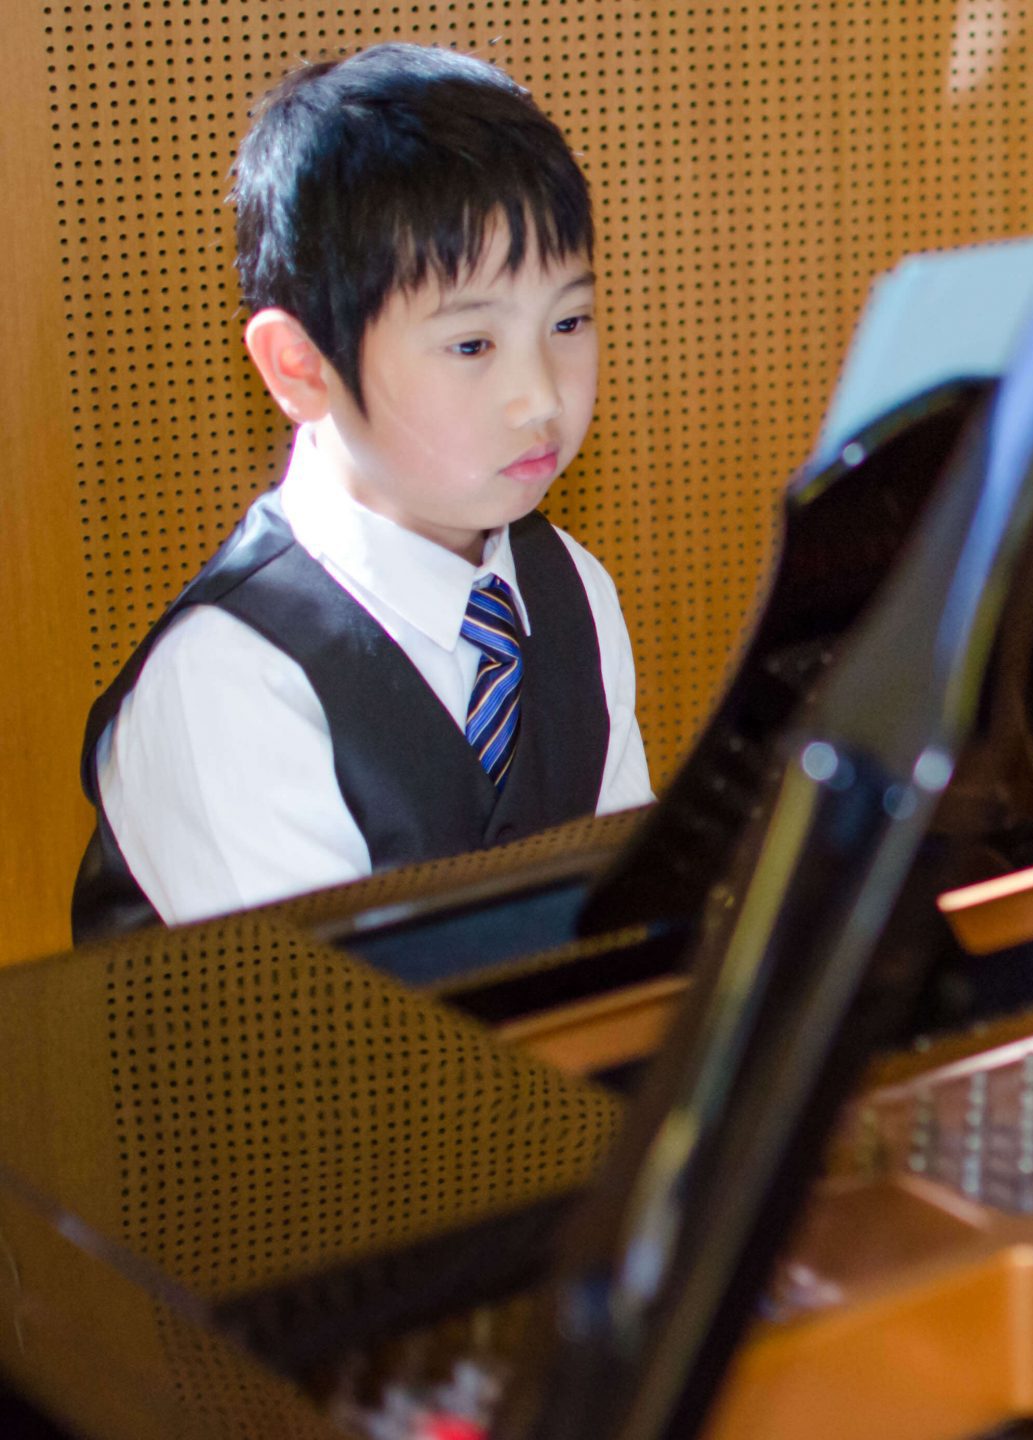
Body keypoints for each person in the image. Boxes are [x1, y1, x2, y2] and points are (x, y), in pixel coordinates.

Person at [70, 43, 652, 939]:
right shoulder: (230, 681)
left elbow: (624, 923)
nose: (541, 396)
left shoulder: (574, 588)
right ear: (300, 367)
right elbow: (322, 1015)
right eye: (472, 345)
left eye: (569, 322)